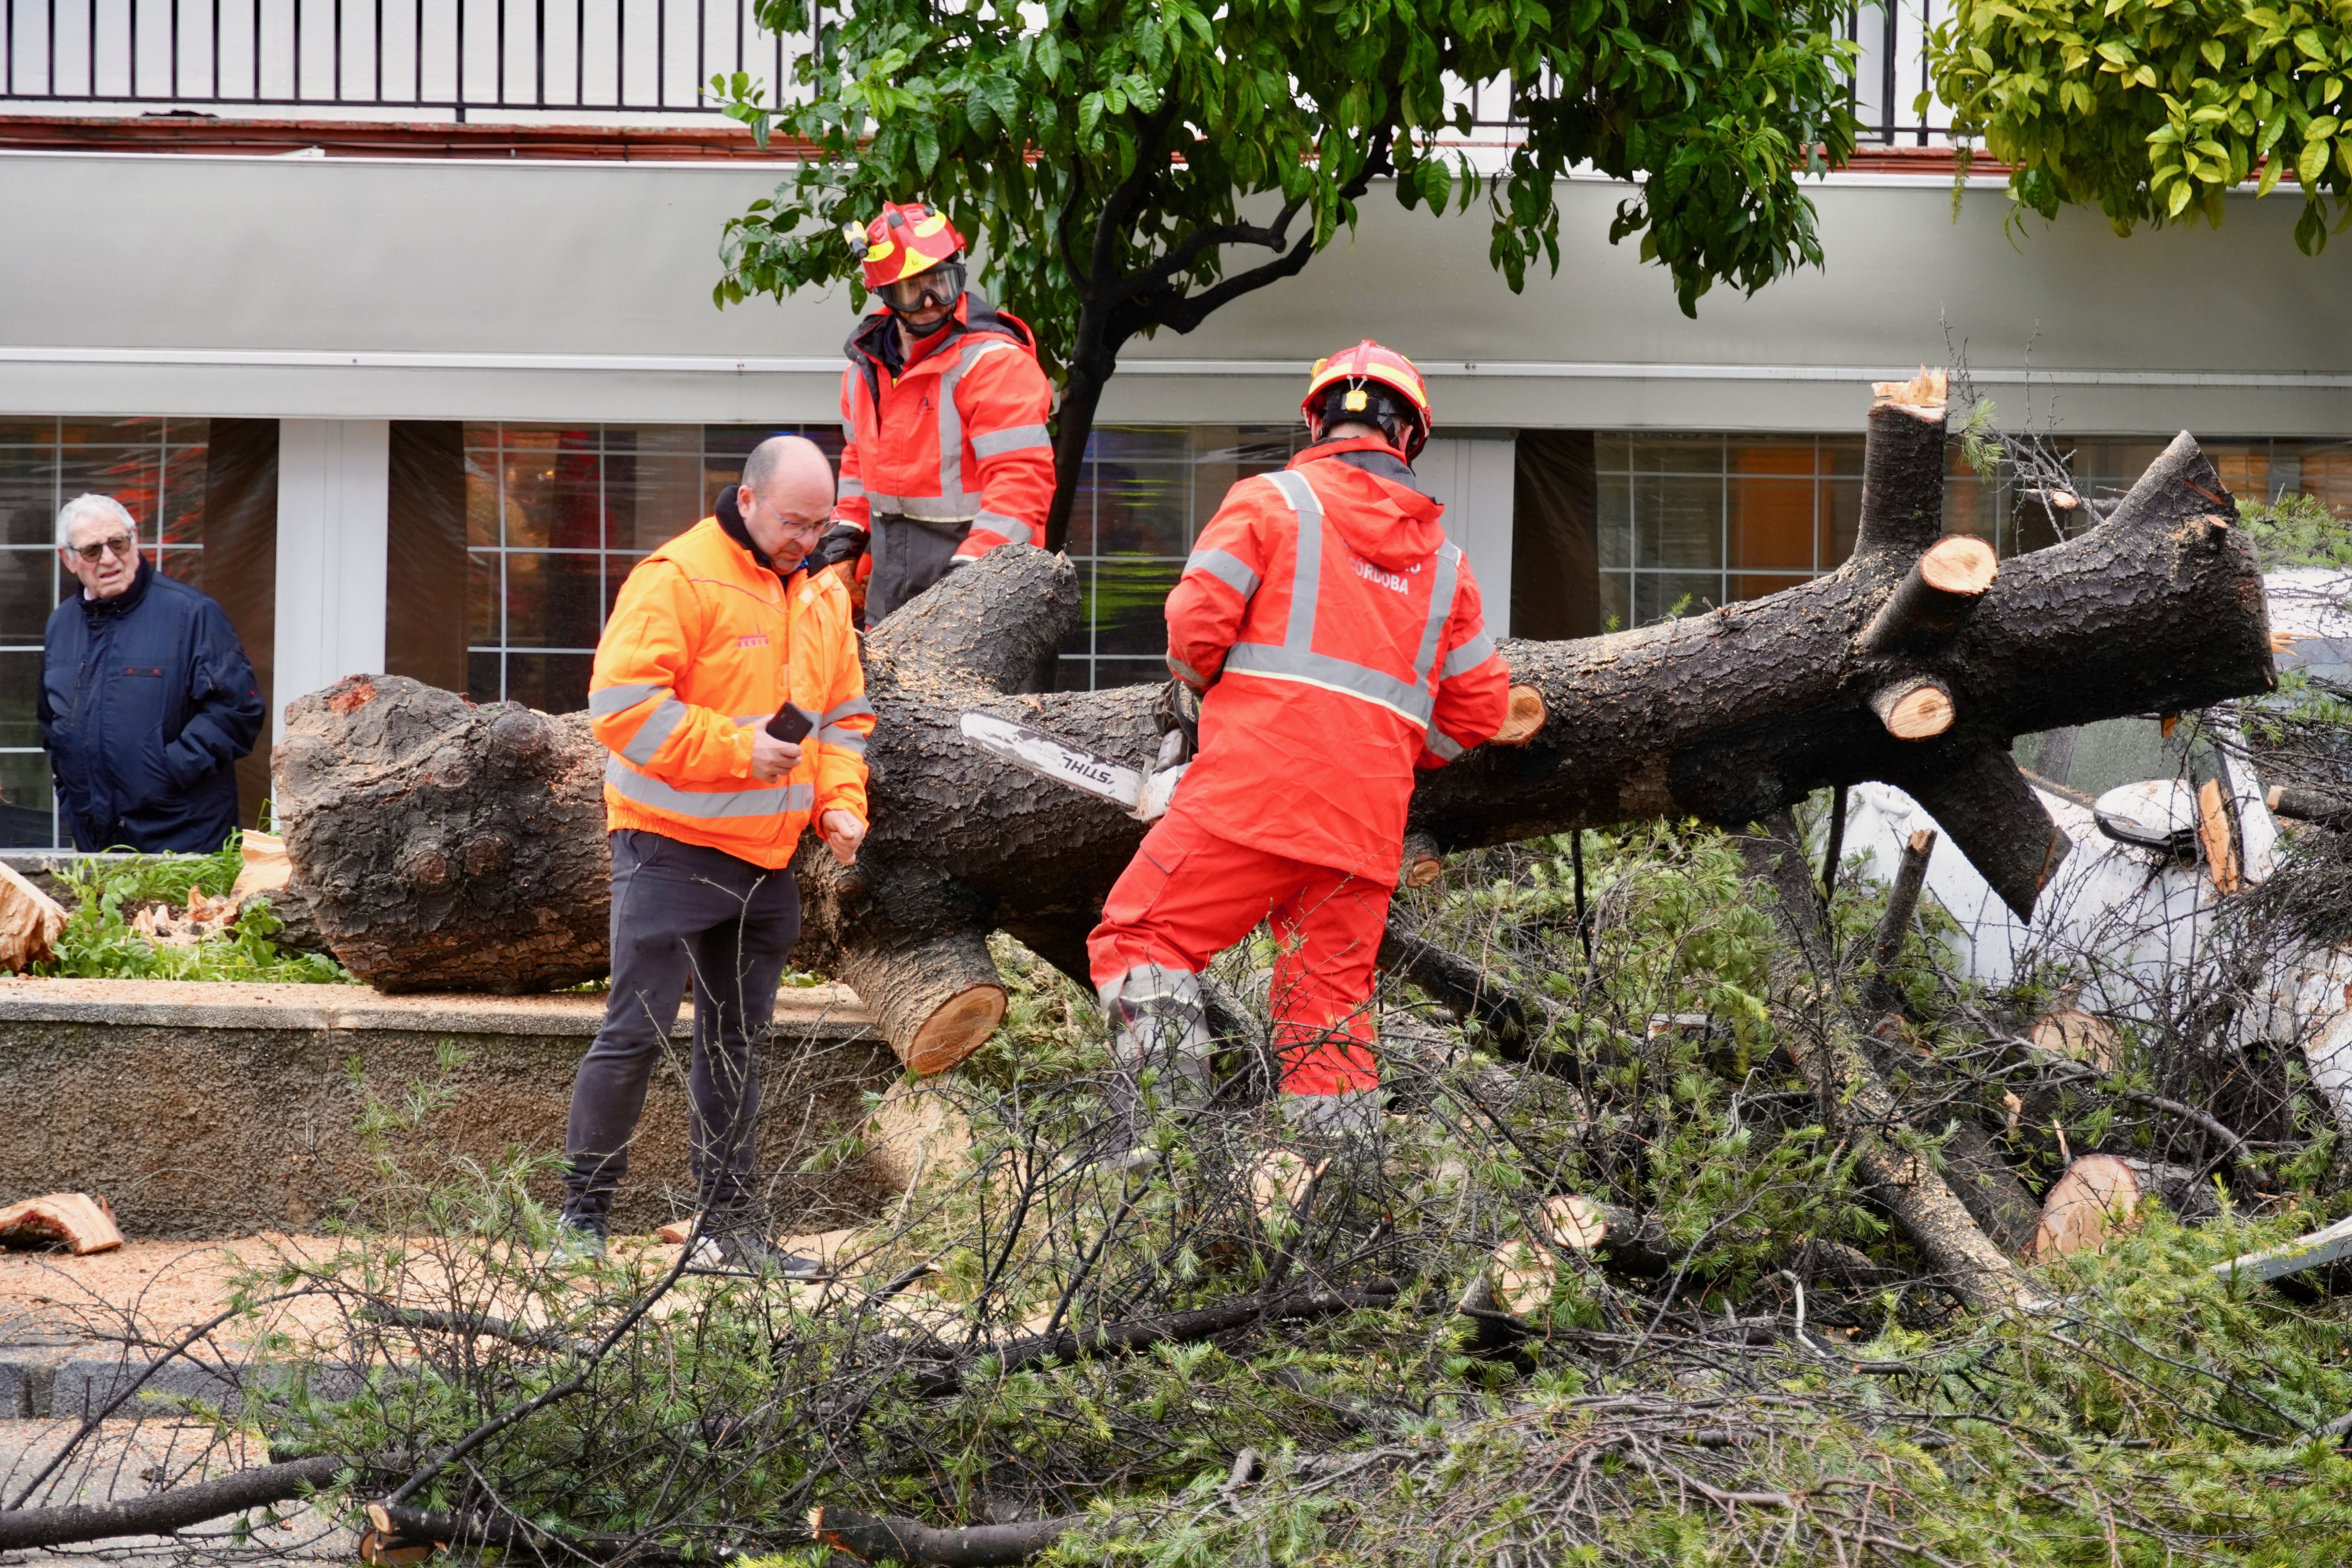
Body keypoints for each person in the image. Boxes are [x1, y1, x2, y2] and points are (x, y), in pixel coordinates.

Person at [1086, 341, 1511, 1143]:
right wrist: (1397, 753)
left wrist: (1208, 693)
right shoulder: (1447, 566)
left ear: (1316, 420)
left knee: (1142, 935)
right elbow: (1482, 708)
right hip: (1365, 824)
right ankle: (1338, 1203)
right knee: (1328, 1008)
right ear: (1409, 437)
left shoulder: (1268, 500)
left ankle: (1165, 1152)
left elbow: (1192, 628)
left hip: (1251, 792)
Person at [559, 435, 875, 1272]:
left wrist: (841, 803)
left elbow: (843, 718)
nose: (806, 541)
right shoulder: (677, 578)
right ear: (748, 501)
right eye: (793, 523)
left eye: (820, 525)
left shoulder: (821, 597)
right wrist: (739, 751)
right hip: (669, 846)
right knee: (636, 1031)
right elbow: (622, 710)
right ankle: (580, 1225)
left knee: (738, 1044)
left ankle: (727, 1232)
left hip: (769, 859)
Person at [806, 200, 1056, 625]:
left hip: (983, 589)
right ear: (886, 293)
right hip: (891, 588)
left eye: (942, 282)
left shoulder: (993, 364)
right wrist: (845, 541)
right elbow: (857, 463)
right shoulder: (863, 372)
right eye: (913, 289)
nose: (931, 301)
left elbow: (1022, 483)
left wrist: (973, 585)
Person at [38, 495, 265, 854]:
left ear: (135, 541)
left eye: (118, 543)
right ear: (69, 559)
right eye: (93, 550)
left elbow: (236, 711)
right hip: (97, 840)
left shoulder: (192, 614)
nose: (110, 559)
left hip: (184, 837)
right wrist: (71, 790)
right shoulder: (62, 624)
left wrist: (167, 772)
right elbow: (53, 722)